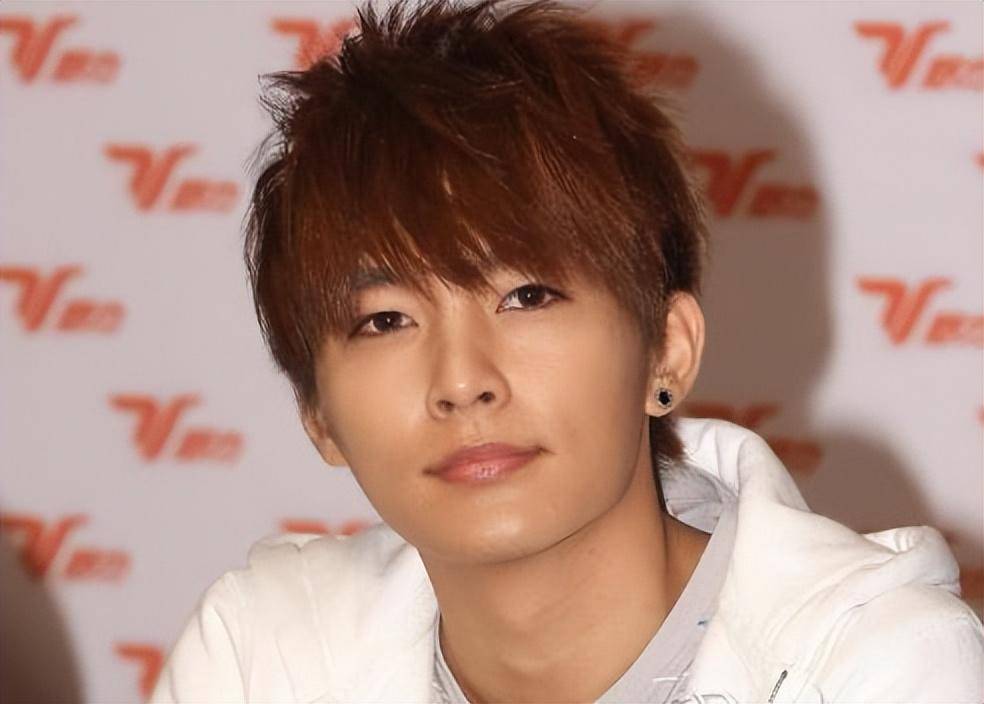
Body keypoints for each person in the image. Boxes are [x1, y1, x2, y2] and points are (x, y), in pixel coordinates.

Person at [150, 0, 984, 701]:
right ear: (318, 415)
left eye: (527, 296)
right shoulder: (263, 657)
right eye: (386, 320)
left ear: (667, 350)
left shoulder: (877, 666)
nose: (462, 381)